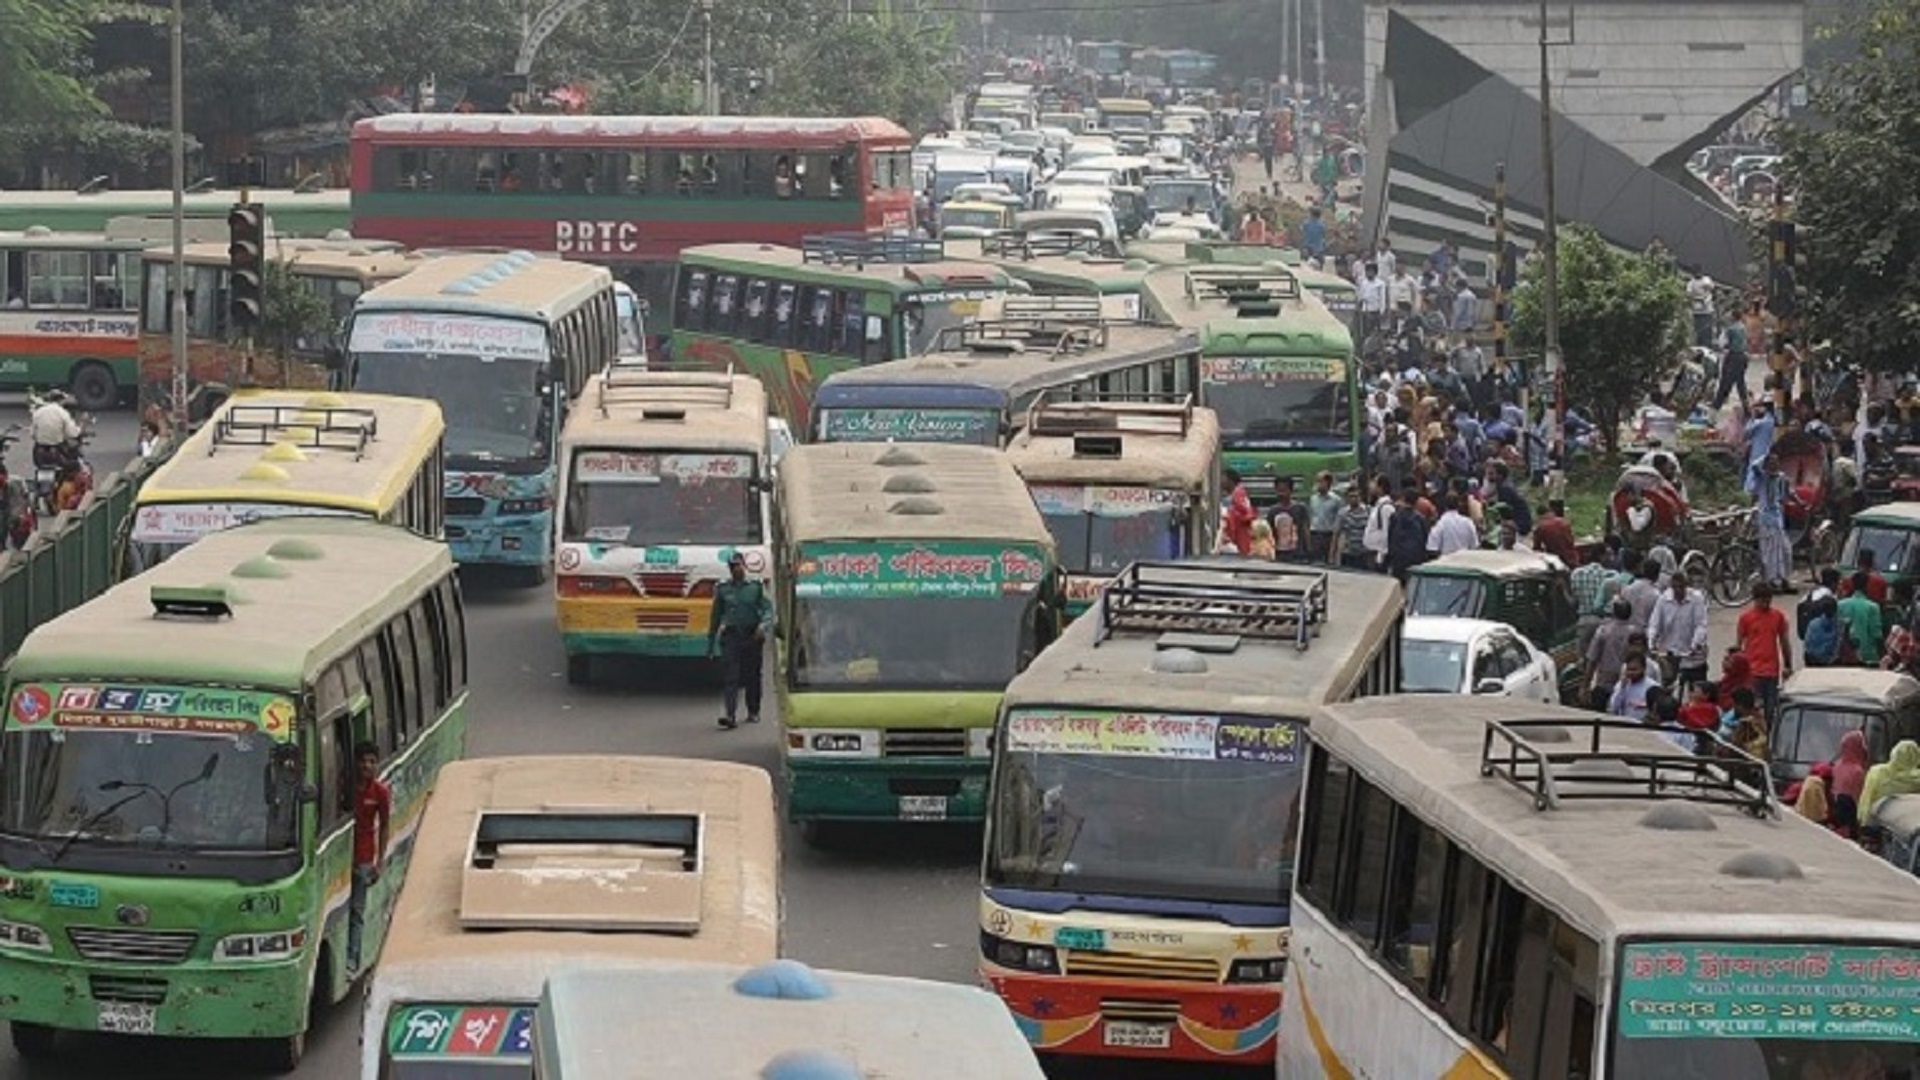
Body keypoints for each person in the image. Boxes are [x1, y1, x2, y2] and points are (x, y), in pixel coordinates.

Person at [707, 552, 772, 730]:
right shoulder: (723, 589)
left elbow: (768, 610)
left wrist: (763, 626)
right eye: (733, 567)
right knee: (731, 677)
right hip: (732, 635)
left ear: (744, 566)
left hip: (752, 635)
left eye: (739, 566)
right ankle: (730, 714)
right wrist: (710, 644)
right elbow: (715, 617)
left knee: (752, 675)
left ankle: (753, 710)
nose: (737, 569)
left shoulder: (755, 587)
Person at [347, 741, 389, 974]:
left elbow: (384, 826)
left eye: (372, 761)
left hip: (364, 859)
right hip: (343, 858)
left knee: (357, 911)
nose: (367, 765)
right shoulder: (345, 788)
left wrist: (379, 862)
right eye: (363, 760)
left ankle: (352, 960)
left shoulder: (380, 792)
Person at [1736, 582, 1793, 720]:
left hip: (1772, 671)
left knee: (1771, 710)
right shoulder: (1745, 618)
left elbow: (1784, 642)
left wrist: (1788, 665)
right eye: (1762, 600)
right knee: (1755, 710)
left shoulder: (1777, 616)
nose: (1766, 603)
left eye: (1768, 600)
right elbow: (1739, 645)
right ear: (1755, 599)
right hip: (1752, 671)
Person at [1648, 571, 1710, 688]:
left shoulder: (1697, 599)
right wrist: (1651, 642)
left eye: (1681, 587)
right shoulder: (1663, 600)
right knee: (1666, 688)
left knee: (1698, 688)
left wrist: (1695, 644)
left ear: (1686, 586)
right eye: (1674, 587)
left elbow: (1701, 625)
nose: (1678, 590)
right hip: (1670, 654)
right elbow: (1654, 623)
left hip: (1691, 655)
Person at [1749, 451, 1795, 591]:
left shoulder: (1781, 478)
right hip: (1766, 520)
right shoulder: (1762, 477)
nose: (1775, 465)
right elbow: (1754, 466)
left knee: (1786, 551)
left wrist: (1800, 502)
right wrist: (1765, 455)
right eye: (1771, 462)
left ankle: (1785, 580)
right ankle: (1772, 582)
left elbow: (1788, 494)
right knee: (1770, 554)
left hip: (1777, 520)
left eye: (1776, 462)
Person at [1586, 600, 1637, 711]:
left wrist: (1585, 685)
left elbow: (1592, 659)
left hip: (1603, 683)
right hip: (1627, 683)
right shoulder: (1635, 633)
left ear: (1614, 613)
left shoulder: (1603, 631)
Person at [1860, 739, 1920, 814]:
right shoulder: (1916, 781)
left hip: (1877, 818)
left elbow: (1866, 800)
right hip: (1905, 822)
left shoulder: (1877, 773)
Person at [1838, 571, 1884, 666]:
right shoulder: (1873, 607)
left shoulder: (1840, 605)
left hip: (1844, 657)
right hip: (1869, 657)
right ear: (1866, 585)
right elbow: (1877, 635)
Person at [29, 389, 82, 472]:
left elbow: (32, 434)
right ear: (60, 400)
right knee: (75, 465)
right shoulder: (62, 413)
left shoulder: (38, 412)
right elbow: (73, 433)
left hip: (39, 455)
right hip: (57, 453)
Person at [1608, 652, 1661, 721]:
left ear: (1643, 668)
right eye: (1628, 669)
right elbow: (1613, 708)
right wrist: (1622, 689)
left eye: (1634, 670)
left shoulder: (1653, 687)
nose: (1631, 673)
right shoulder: (1621, 685)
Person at [1426, 492, 1479, 556]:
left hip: (1447, 562)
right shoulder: (1468, 522)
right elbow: (1475, 546)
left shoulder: (1440, 524)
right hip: (1465, 562)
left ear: (1444, 505)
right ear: (1458, 505)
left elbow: (1432, 548)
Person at [1333, 484, 1372, 570]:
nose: (1354, 499)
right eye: (1351, 496)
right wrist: (1333, 554)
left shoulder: (1368, 511)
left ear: (1360, 497)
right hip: (1348, 552)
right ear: (1347, 498)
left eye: (1356, 496)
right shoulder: (1343, 513)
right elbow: (1336, 533)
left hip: (1363, 552)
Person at [1306, 471, 1341, 565]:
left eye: (1321, 481)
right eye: (1317, 481)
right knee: (1314, 562)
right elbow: (1310, 516)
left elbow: (1338, 520)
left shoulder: (1336, 500)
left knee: (1328, 562)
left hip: (1328, 535)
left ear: (1328, 483)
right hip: (1315, 534)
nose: (1318, 484)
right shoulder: (1313, 499)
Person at [1531, 500, 1579, 566]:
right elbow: (1571, 540)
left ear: (1539, 515)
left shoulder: (1540, 528)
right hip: (1571, 557)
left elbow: (1536, 548)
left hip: (1556, 560)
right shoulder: (1564, 522)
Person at [1725, 688, 1769, 760]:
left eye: (1734, 705)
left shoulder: (1745, 723)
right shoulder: (1760, 718)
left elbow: (1734, 747)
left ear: (1740, 705)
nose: (1733, 708)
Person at [1222, 469, 1257, 555]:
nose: (1221, 481)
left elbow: (1246, 513)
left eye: (1223, 478)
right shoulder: (1238, 493)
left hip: (1240, 534)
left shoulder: (1238, 493)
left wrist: (1230, 515)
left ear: (1230, 480)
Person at [1801, 595, 1841, 667]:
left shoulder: (1813, 624)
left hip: (1813, 661)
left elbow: (1807, 644)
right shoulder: (1839, 626)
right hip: (1830, 663)